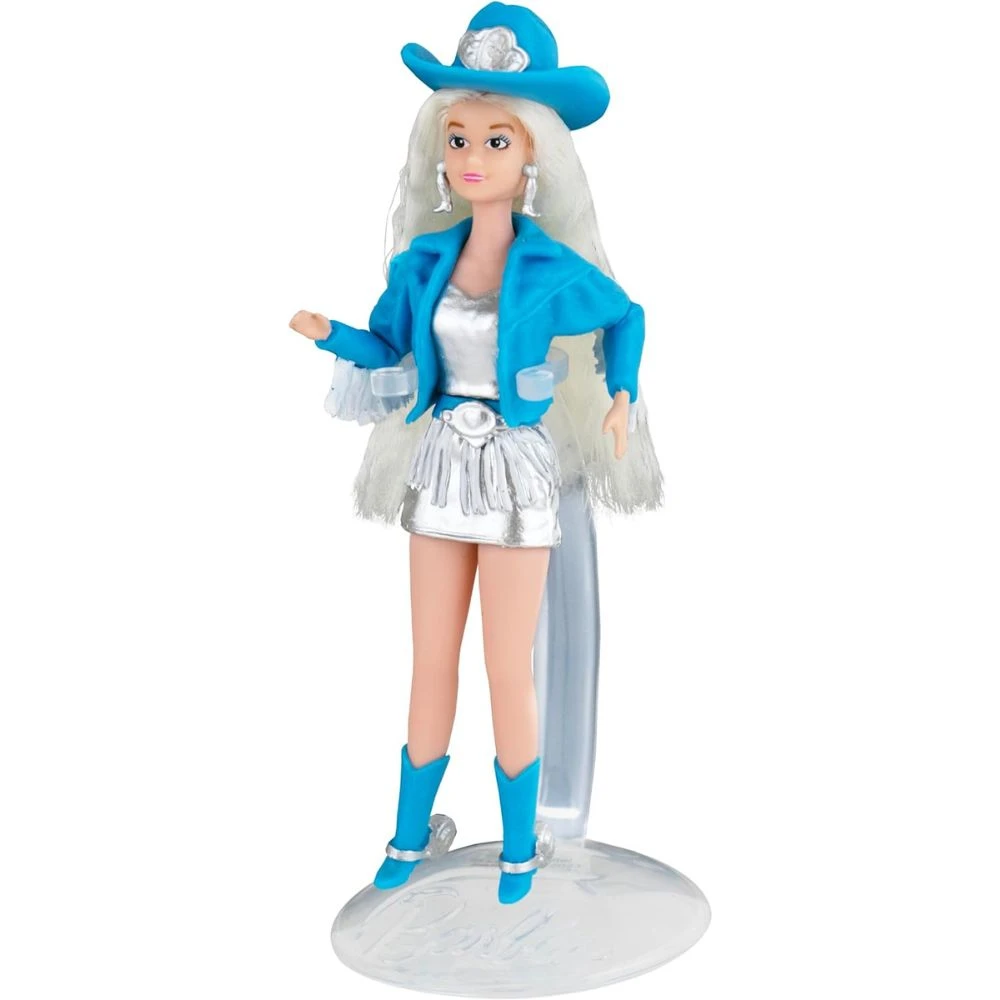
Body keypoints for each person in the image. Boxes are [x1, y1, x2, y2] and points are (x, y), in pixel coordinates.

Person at [290, 2, 663, 904]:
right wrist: (331, 333)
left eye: (495, 141)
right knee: (430, 659)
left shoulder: (551, 269)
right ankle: (410, 832)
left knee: (506, 665)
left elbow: (626, 316)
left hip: (517, 470)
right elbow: (390, 346)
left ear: (533, 154)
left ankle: (522, 845)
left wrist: (620, 393)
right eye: (458, 138)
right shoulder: (424, 263)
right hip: (441, 467)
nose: (470, 158)